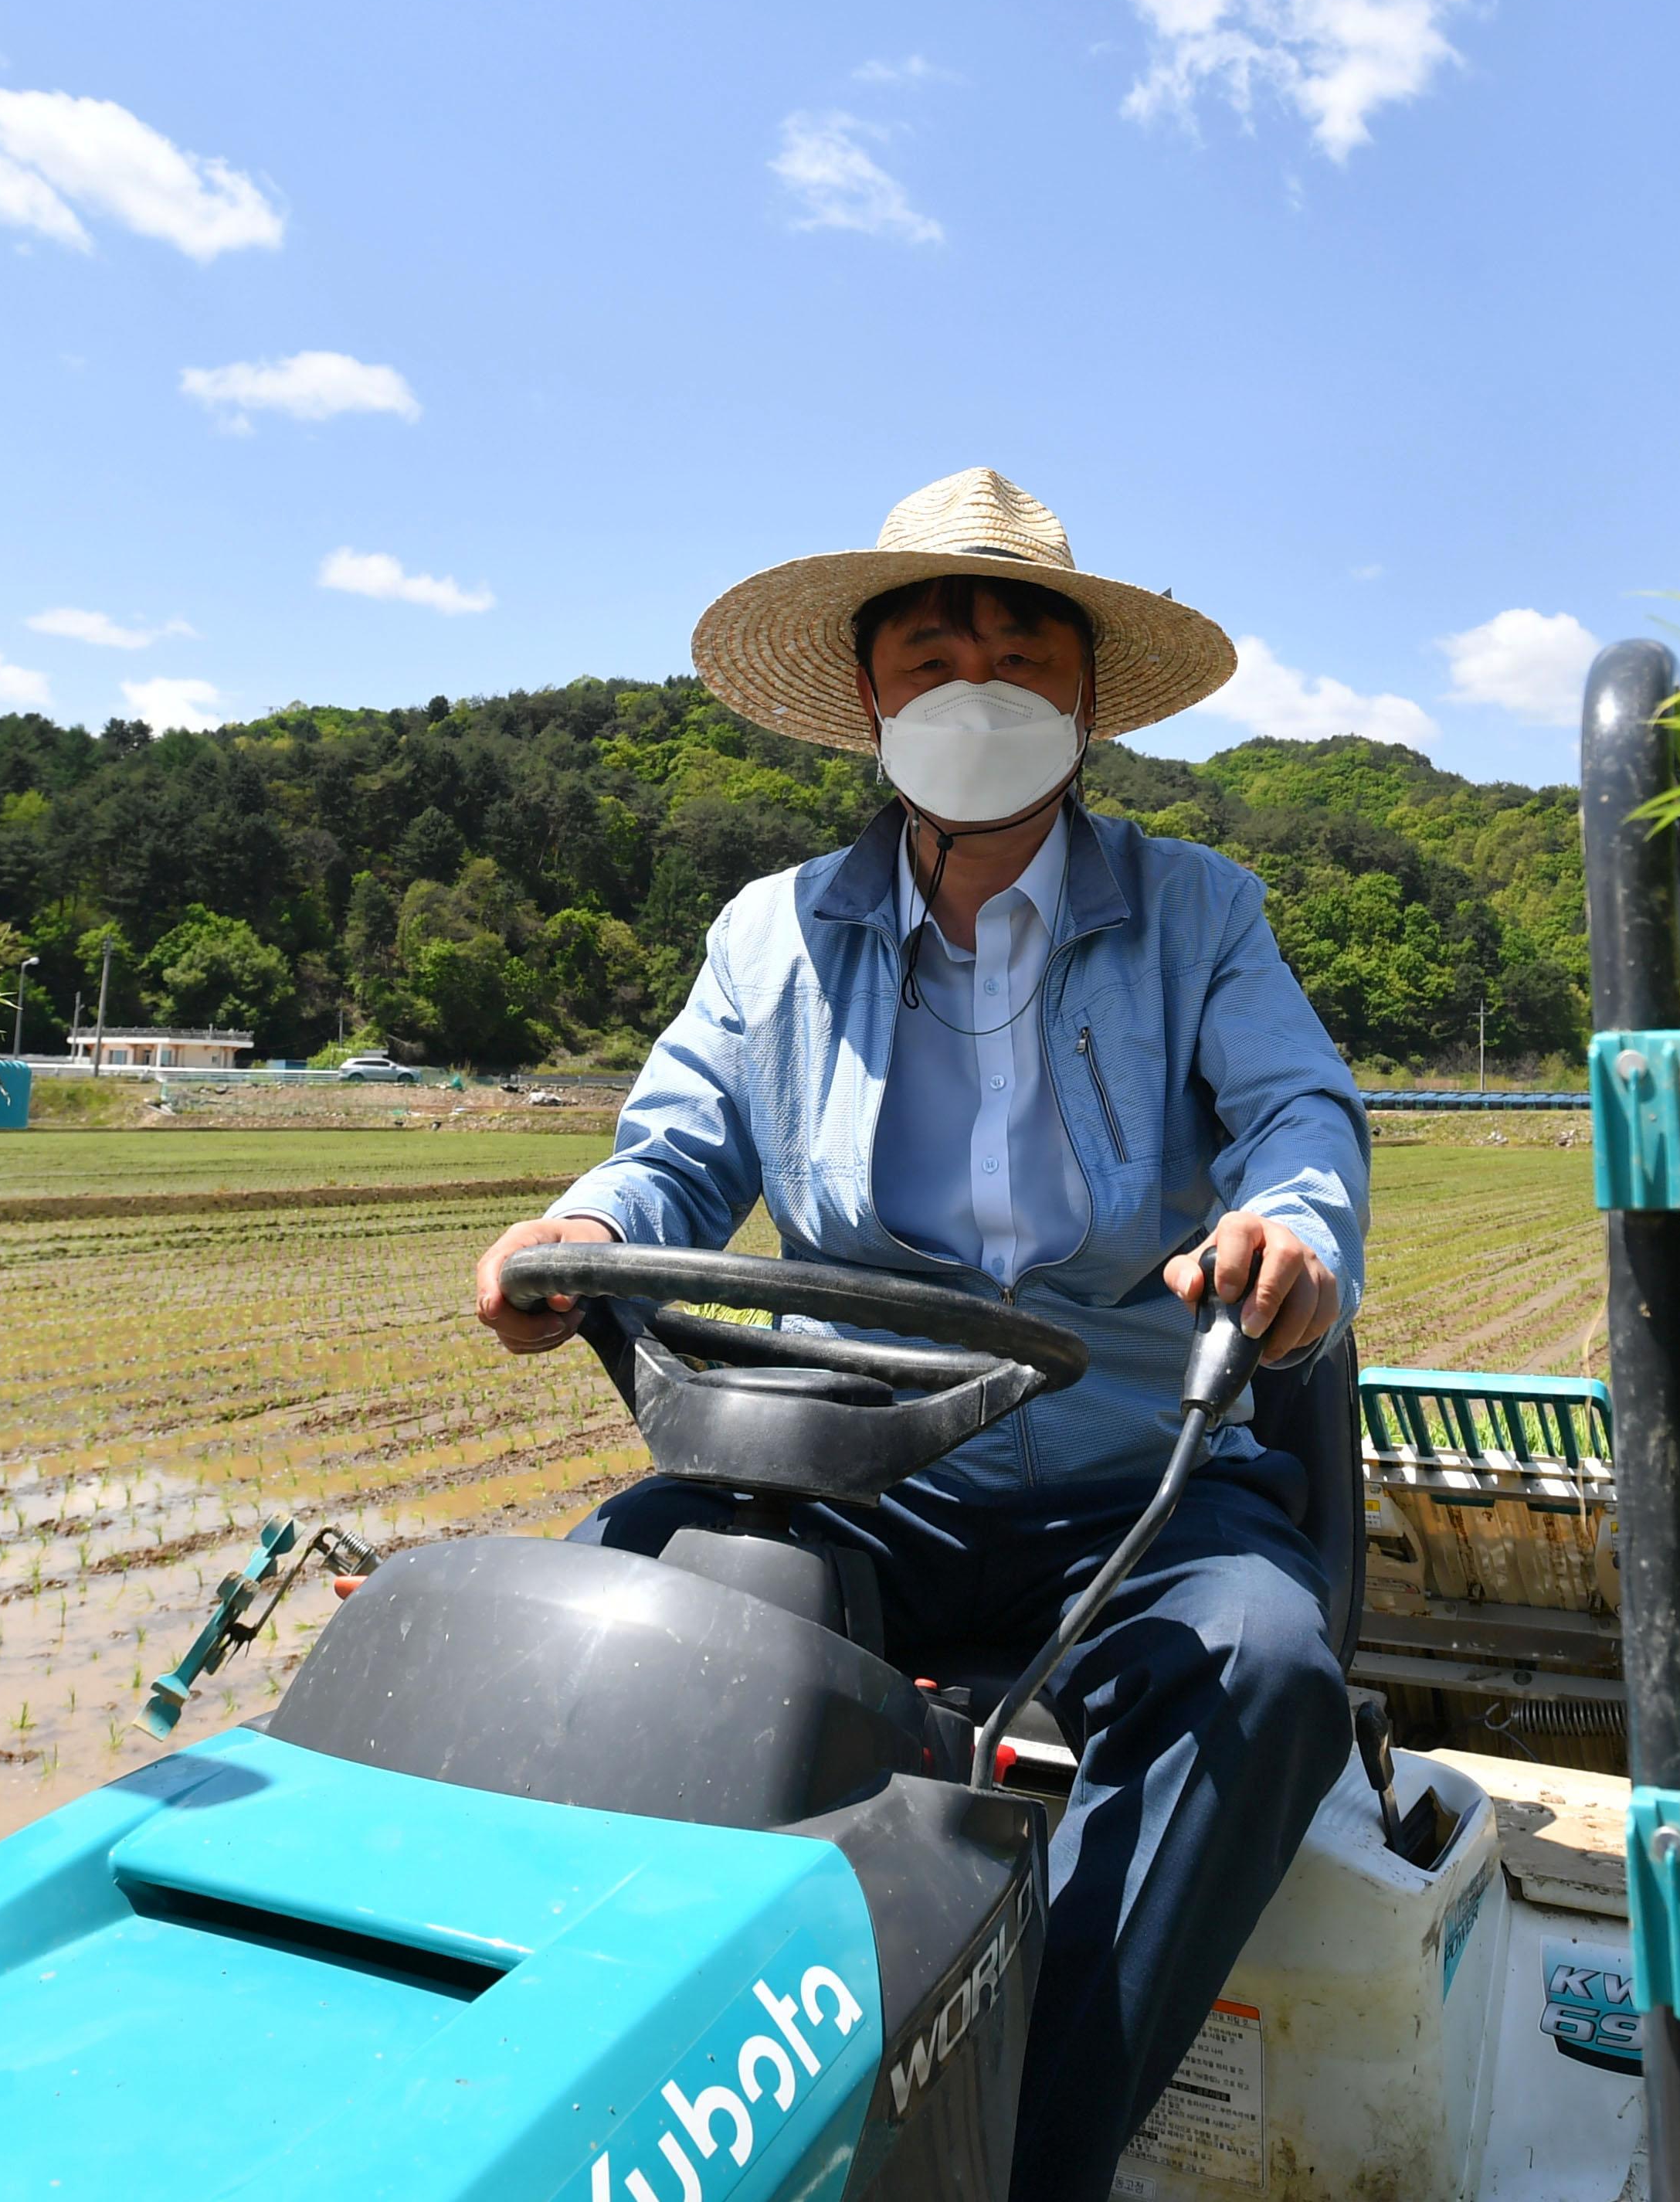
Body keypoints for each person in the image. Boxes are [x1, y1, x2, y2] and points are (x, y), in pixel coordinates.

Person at [473, 465, 1367, 2202]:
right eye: (935, 646)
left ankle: (1021, 2154)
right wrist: (582, 1233)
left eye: (1023, 645)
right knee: (619, 1598)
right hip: (868, 1471)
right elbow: (677, 1151)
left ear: (1085, 698)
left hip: (1139, 1486)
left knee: (1263, 1667)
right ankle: (606, 2104)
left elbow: (1301, 1114)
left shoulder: (1199, 914)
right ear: (871, 696)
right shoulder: (774, 932)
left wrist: (1293, 1231)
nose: (980, 681)